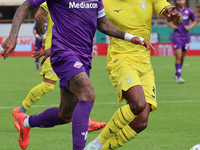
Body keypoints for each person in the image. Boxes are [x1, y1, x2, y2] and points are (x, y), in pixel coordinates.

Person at [1, 0, 153, 149]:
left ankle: (26, 122)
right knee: (88, 94)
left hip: (84, 58)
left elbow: (103, 24)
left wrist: (130, 37)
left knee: (65, 115)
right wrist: (13, 35)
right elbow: (26, 5)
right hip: (63, 54)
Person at [84, 0, 183, 150]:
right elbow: (81, 21)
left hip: (144, 62)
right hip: (120, 58)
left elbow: (175, 16)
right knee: (138, 104)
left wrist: (176, 17)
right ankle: (96, 144)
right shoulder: (103, 2)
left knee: (142, 121)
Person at [12, 2, 106, 134]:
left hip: (71, 48)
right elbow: (38, 14)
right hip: (59, 48)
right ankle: (20, 110)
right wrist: (44, 38)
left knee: (69, 106)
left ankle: (84, 120)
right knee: (49, 84)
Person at [166, 0, 197, 83]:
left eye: (182, 0)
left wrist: (189, 27)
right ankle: (179, 77)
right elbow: (167, 21)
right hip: (177, 36)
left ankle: (176, 73)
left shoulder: (189, 11)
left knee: (182, 57)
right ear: (176, 1)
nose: (180, 1)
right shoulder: (174, 12)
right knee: (178, 56)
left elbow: (195, 21)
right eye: (179, 0)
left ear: (184, 1)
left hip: (186, 37)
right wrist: (172, 26)